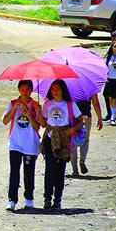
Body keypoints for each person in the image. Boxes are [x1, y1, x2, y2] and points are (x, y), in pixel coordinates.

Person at [40, 80, 85, 211]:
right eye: (53, 89)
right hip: (50, 139)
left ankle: (57, 200)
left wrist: (72, 130)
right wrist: (38, 111)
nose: (55, 91)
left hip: (65, 140)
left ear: (63, 90)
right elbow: (43, 124)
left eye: (58, 89)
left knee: (60, 171)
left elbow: (81, 121)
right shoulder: (47, 104)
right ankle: (47, 199)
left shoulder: (70, 104)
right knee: (49, 170)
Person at [1, 79, 41, 211]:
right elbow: (5, 121)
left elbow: (39, 126)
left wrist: (34, 113)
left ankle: (29, 199)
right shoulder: (12, 103)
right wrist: (14, 107)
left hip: (30, 144)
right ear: (18, 90)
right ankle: (12, 200)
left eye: (27, 89)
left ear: (31, 90)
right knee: (14, 171)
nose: (25, 91)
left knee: (29, 173)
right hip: (15, 143)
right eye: (22, 89)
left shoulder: (36, 105)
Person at [71, 93, 104, 176]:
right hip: (86, 116)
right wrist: (100, 118)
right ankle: (82, 160)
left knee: (72, 142)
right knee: (85, 140)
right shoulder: (89, 86)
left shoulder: (69, 85)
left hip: (72, 117)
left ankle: (75, 170)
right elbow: (95, 103)